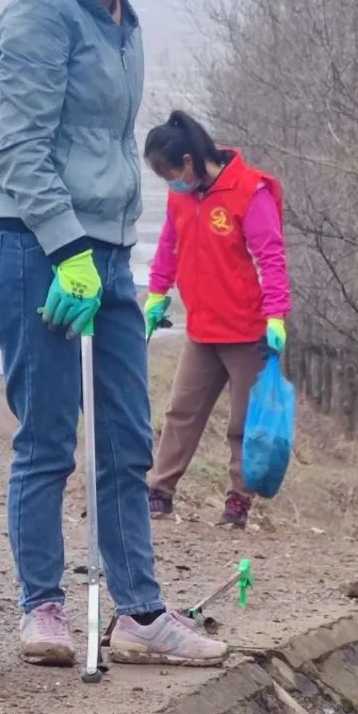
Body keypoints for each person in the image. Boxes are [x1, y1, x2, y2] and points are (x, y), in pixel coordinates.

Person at [0, 0, 228, 668]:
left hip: (110, 257)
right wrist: (65, 249)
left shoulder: (122, 15)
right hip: (40, 252)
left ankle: (141, 614)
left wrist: (107, 258)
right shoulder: (40, 13)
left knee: (125, 440)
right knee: (49, 437)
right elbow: (19, 146)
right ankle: (42, 607)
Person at [142, 111, 291, 530]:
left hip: (247, 331)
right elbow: (169, 246)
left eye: (171, 173)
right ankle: (159, 492)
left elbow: (271, 258)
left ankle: (238, 504)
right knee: (181, 413)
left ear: (189, 161)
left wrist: (276, 315)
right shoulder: (181, 197)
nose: (170, 183)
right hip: (203, 327)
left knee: (244, 424)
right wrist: (157, 291)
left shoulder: (250, 190)